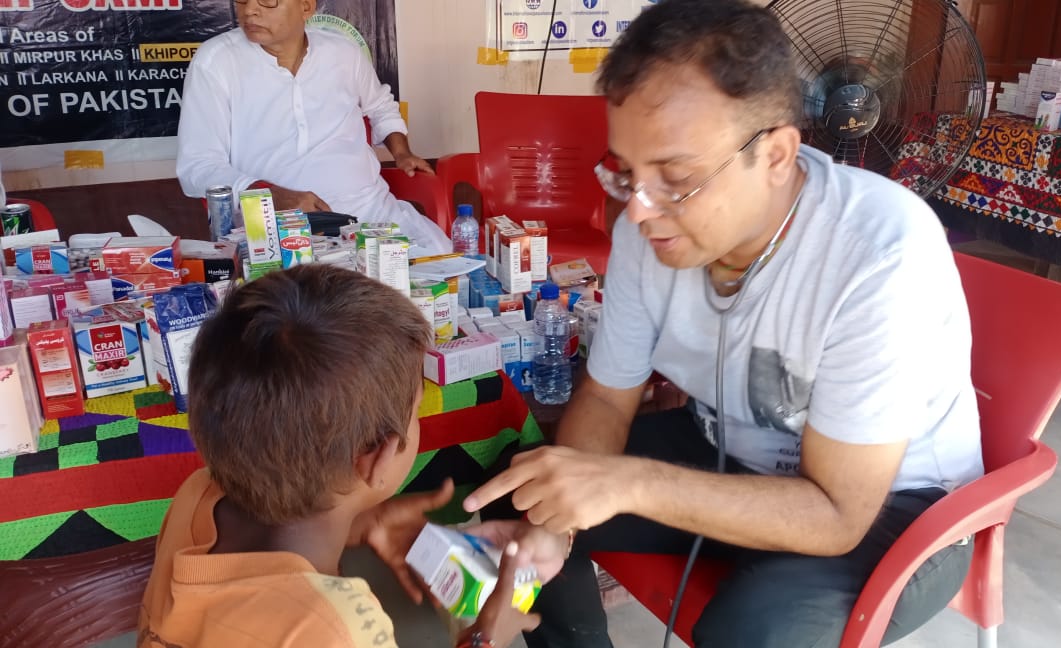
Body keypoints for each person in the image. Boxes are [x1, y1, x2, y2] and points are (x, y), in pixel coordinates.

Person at [461, 1, 986, 646]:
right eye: (626, 173)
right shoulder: (645, 228)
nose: (638, 212)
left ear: (775, 155)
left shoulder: (878, 250)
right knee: (528, 490)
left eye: (676, 179)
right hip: (730, 450)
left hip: (893, 504)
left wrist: (630, 483)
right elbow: (604, 395)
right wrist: (552, 525)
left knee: (751, 631)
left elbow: (837, 515)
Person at [137, 264, 553, 648]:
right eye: (416, 409)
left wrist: (360, 520)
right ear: (377, 457)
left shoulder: (197, 495)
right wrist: (485, 639)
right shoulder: (338, 629)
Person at [176, 0, 451, 253]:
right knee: (312, 301)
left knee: (441, 263)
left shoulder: (343, 52)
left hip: (369, 212)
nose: (250, 11)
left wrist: (401, 152)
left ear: (306, 7)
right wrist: (269, 196)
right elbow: (198, 165)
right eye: (243, 0)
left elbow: (380, 106)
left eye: (267, 1)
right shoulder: (216, 62)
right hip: (276, 228)